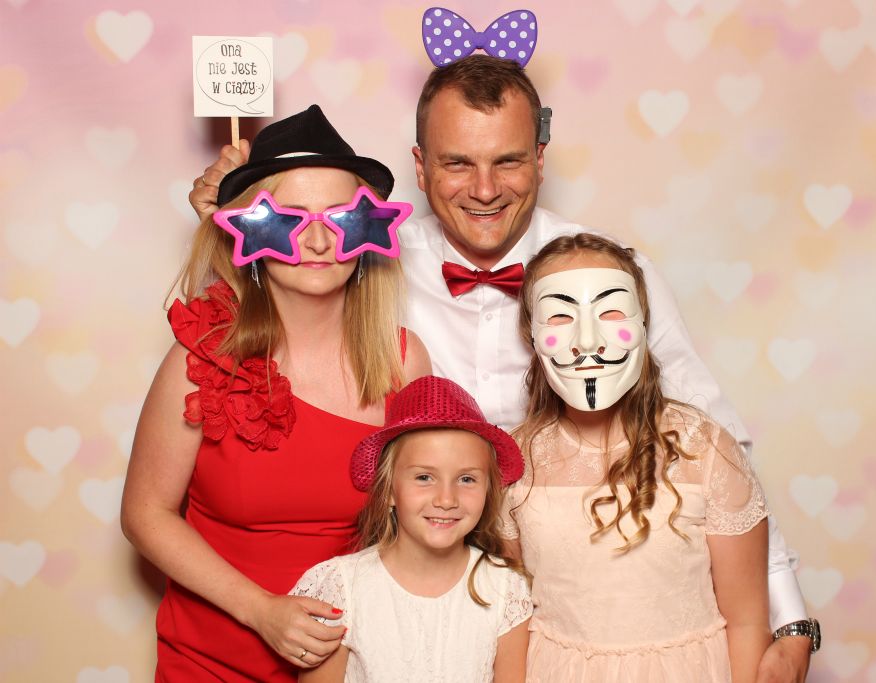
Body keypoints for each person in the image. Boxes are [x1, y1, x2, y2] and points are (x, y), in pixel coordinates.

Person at [188, 55, 816, 681]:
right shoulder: (368, 262)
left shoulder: (607, 275)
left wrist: (789, 622)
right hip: (422, 602)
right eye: (458, 163)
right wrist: (233, 221)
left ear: (541, 159)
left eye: (508, 161)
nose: (485, 190)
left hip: (568, 609)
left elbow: (719, 454)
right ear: (420, 167)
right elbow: (282, 302)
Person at [122, 105, 431, 681]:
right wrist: (260, 610)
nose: (317, 240)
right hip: (211, 661)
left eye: (340, 217)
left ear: (368, 231)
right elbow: (145, 514)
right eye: (289, 219)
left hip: (350, 662)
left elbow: (418, 512)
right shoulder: (199, 359)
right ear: (250, 231)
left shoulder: (403, 361)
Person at [509, 232, 771, 681]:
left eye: (610, 312)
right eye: (560, 316)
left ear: (644, 324)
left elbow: (747, 621)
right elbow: (509, 615)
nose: (586, 341)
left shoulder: (705, 450)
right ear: (531, 335)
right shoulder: (516, 460)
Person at [289, 375, 532, 682]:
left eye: (466, 479)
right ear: (389, 490)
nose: (446, 499)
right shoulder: (342, 587)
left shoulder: (506, 590)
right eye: (424, 478)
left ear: (488, 489)